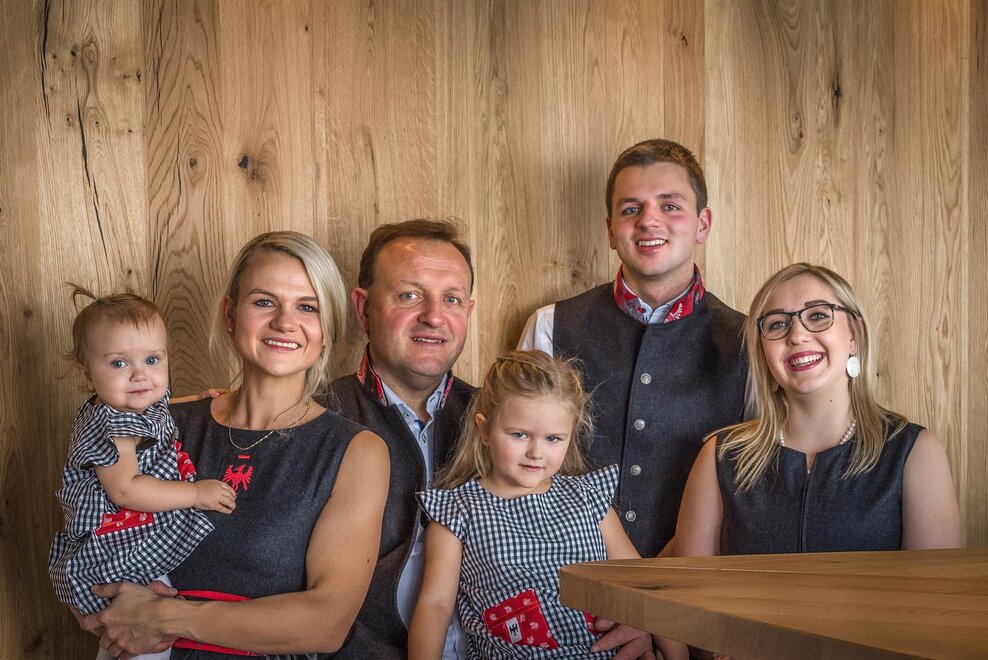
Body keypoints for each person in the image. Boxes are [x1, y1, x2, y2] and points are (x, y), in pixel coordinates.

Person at [81, 231, 390, 658]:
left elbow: (325, 623)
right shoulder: (161, 424)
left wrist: (163, 618)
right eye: (264, 302)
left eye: (307, 307)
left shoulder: (355, 450)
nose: (285, 322)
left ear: (328, 328)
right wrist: (107, 611)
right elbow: (89, 547)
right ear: (230, 314)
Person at [517, 139, 747, 558]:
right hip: (566, 580)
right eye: (630, 209)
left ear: (703, 224)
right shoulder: (549, 326)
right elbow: (516, 470)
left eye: (670, 206)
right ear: (611, 230)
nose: (648, 221)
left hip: (699, 584)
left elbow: (754, 488)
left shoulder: (750, 343)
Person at [674, 262, 962, 557]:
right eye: (777, 324)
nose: (797, 335)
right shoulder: (719, 457)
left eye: (819, 316)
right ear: (762, 352)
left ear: (855, 336)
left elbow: (935, 583)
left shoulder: (915, 453)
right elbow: (690, 583)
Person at [408, 351, 673, 659]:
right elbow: (435, 606)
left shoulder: (589, 498)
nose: (536, 452)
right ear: (484, 430)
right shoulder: (456, 512)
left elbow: (643, 584)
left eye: (553, 439)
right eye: (520, 435)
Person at [324, 219, 476, 658]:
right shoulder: (315, 419)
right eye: (409, 295)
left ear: (468, 313)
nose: (434, 316)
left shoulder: (502, 421)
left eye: (451, 299)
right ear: (363, 309)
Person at [49, 287, 235, 631]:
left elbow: (159, 406)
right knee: (142, 633)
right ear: (86, 373)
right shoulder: (114, 425)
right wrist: (196, 494)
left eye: (152, 360)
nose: (139, 375)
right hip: (116, 556)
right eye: (119, 363)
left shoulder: (129, 400)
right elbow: (126, 490)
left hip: (131, 542)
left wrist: (199, 398)